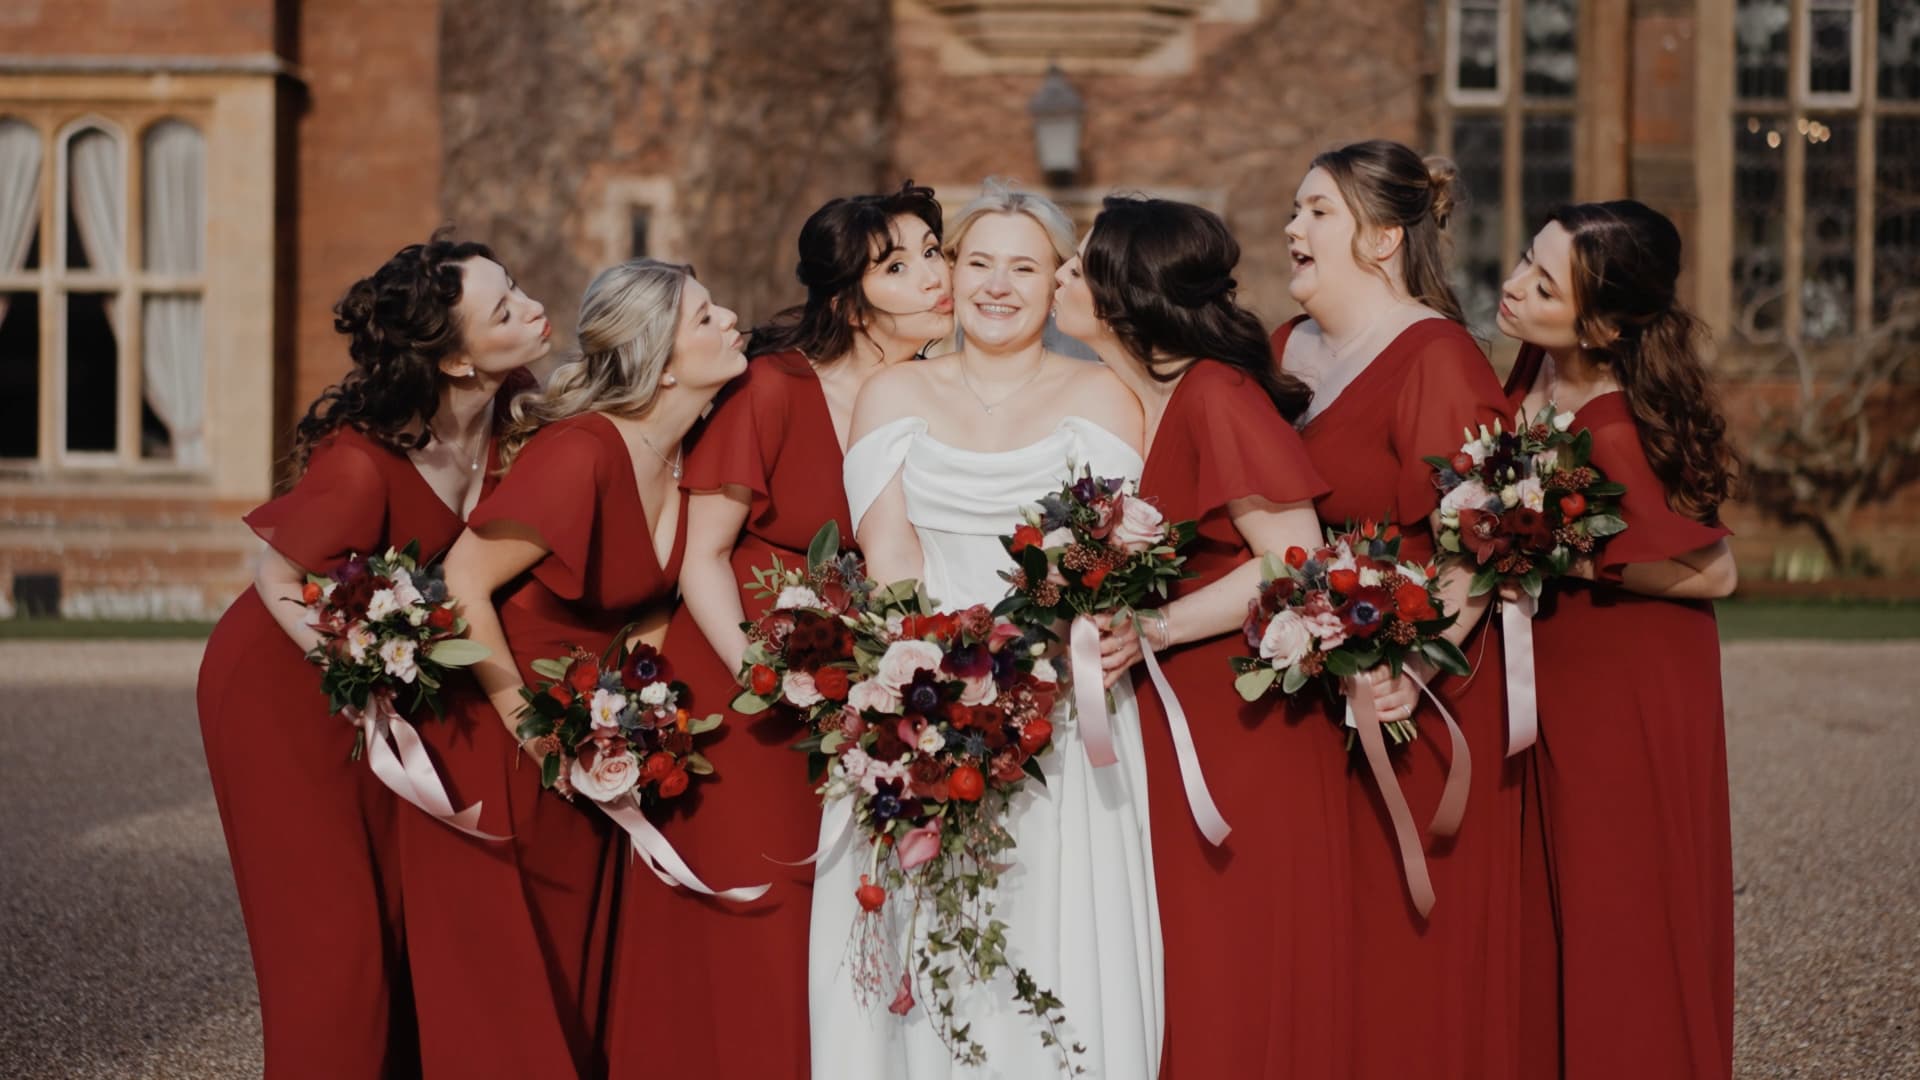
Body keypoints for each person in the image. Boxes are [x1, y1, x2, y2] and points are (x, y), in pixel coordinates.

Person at [812, 180, 1161, 1078]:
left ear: (1057, 284)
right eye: (977, 263)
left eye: (1024, 266)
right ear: (953, 275)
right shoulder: (892, 392)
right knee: (921, 945)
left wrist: (1048, 667)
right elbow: (887, 554)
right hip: (922, 702)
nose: (997, 286)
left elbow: (1111, 561)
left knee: (1052, 935)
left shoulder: (1108, 396)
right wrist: (925, 689)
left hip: (1066, 722)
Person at [625, 182, 953, 1079]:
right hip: (746, 699)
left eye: (935, 250)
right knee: (756, 923)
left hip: (860, 708)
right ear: (848, 297)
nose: (938, 275)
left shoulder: (933, 395)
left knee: (840, 929)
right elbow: (702, 559)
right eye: (902, 264)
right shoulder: (773, 389)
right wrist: (769, 680)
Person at [197, 236, 546, 1078]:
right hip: (283, 693)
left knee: (405, 923)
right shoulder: (361, 465)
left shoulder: (518, 414)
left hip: (391, 695)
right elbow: (277, 574)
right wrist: (357, 666)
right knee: (335, 944)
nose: (533, 307)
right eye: (505, 309)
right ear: (458, 360)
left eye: (519, 291)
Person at [406, 259, 746, 1078]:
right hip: (503, 734)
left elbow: (646, 606)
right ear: (660, 360)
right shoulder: (584, 453)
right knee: (508, 997)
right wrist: (533, 734)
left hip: (590, 743)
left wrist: (634, 717)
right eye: (705, 318)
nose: (733, 318)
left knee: (571, 982)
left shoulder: (687, 455)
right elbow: (460, 584)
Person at [1069, 195, 1342, 1079]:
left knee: (1232, 957)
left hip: (1239, 724)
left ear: (1120, 296)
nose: (1061, 282)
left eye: (1077, 267)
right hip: (1167, 708)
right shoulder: (1127, 400)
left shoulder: (1217, 396)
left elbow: (1296, 556)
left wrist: (1159, 622)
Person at [1269, 139, 1520, 1080]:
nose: (1292, 229)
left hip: (1413, 698)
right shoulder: (1284, 351)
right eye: (1295, 211)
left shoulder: (1437, 358)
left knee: (1409, 950)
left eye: (1317, 212)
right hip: (1311, 690)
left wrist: (1410, 672)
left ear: (1381, 239)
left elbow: (1480, 543)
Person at [1497, 199, 1738, 1080]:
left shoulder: (1617, 427)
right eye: (1526, 259)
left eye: (1544, 281)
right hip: (1558, 665)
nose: (1515, 284)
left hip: (1628, 682)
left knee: (1621, 899)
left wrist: (1556, 548)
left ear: (1601, 323)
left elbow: (1716, 574)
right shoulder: (1539, 365)